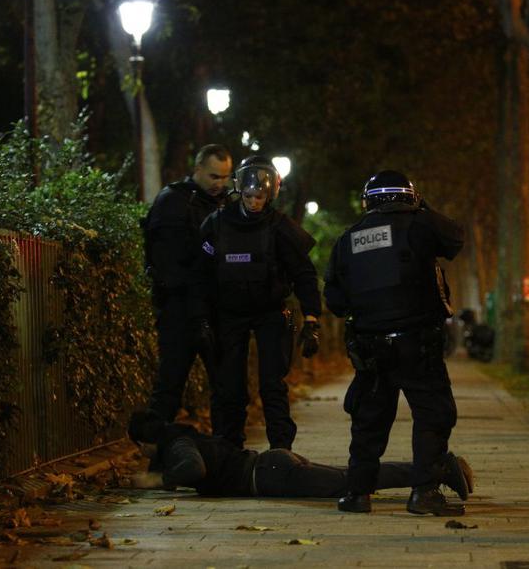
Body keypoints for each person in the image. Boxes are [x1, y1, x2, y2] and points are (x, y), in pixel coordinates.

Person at [323, 170, 466, 516]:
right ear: (410, 197)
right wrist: (423, 208)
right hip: (418, 343)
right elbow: (455, 239)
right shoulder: (421, 225)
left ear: (368, 201)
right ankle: (424, 493)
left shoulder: (349, 238)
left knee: (369, 420)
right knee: (433, 415)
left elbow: (336, 300)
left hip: (371, 348)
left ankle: (358, 494)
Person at [191, 156, 321, 451]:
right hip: (229, 313)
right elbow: (201, 274)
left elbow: (303, 274)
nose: (254, 203)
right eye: (249, 196)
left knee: (272, 385)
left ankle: (281, 451)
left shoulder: (280, 227)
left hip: (270, 312)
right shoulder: (218, 224)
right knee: (229, 386)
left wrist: (312, 319)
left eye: (260, 197)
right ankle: (228, 449)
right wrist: (201, 318)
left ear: (270, 194)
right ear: (240, 191)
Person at [126, 409, 474, 500]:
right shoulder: (180, 437)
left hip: (271, 475)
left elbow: (194, 469)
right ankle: (433, 468)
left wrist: (156, 480)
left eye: (139, 446)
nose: (140, 453)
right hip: (272, 467)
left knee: (351, 481)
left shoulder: (177, 445)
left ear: (146, 440)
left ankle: (439, 469)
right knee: (352, 476)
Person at [142, 144, 233, 428]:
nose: (220, 183)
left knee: (225, 386)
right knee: (170, 384)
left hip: (213, 308)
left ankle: (225, 446)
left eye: (224, 177)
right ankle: (156, 446)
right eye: (214, 176)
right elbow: (167, 261)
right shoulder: (173, 201)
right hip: (179, 308)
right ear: (198, 169)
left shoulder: (224, 205)